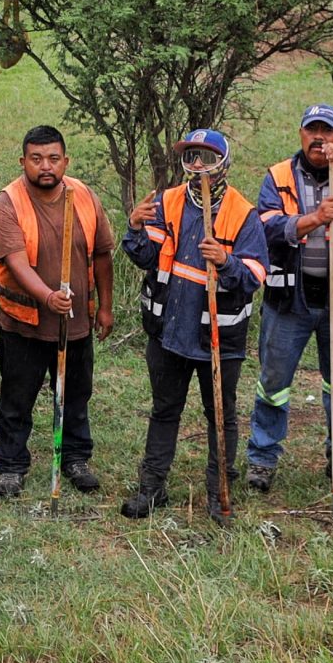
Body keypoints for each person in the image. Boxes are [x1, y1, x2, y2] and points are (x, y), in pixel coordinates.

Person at [120, 131, 267, 522]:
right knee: (164, 410)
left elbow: (254, 276)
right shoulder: (167, 202)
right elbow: (146, 257)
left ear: (223, 163)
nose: (198, 165)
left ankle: (219, 495)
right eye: (191, 157)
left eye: (206, 157)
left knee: (220, 416)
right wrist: (135, 228)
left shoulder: (243, 214)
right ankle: (152, 489)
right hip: (167, 333)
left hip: (218, 338)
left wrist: (226, 262)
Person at [245, 105, 333, 496]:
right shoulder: (278, 176)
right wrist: (315, 218)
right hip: (290, 298)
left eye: (327, 130)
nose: (319, 137)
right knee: (274, 381)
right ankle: (263, 457)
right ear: (301, 134)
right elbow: (266, 228)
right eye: (312, 130)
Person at [0, 125, 113, 499]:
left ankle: (75, 458)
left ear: (65, 161)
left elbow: (102, 254)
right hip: (24, 324)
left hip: (76, 324)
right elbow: (16, 262)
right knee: (17, 397)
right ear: (23, 161)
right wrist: (46, 297)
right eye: (37, 159)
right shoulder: (7, 203)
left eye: (53, 159)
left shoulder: (84, 196)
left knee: (76, 394)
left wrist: (105, 308)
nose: (46, 166)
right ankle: (11, 464)